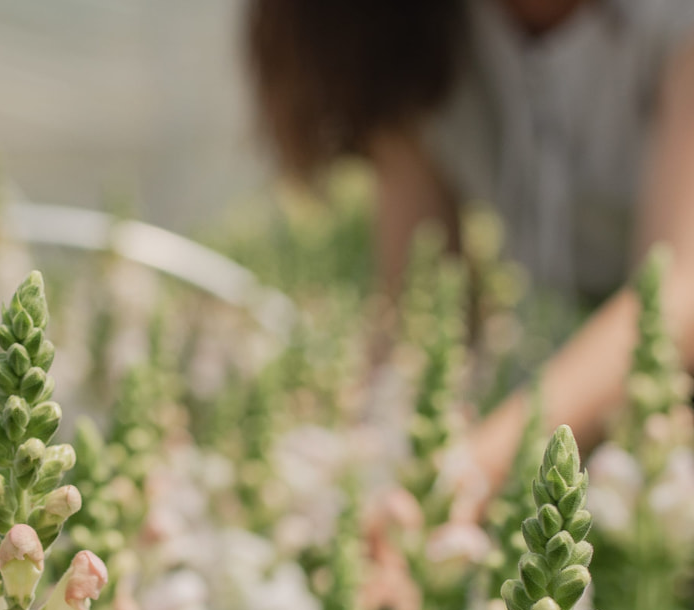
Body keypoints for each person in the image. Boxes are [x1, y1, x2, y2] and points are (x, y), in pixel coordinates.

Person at [246, 0, 694, 500]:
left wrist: (470, 475)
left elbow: (676, 298)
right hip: (576, 422)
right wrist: (360, 470)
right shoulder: (403, 27)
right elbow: (419, 305)